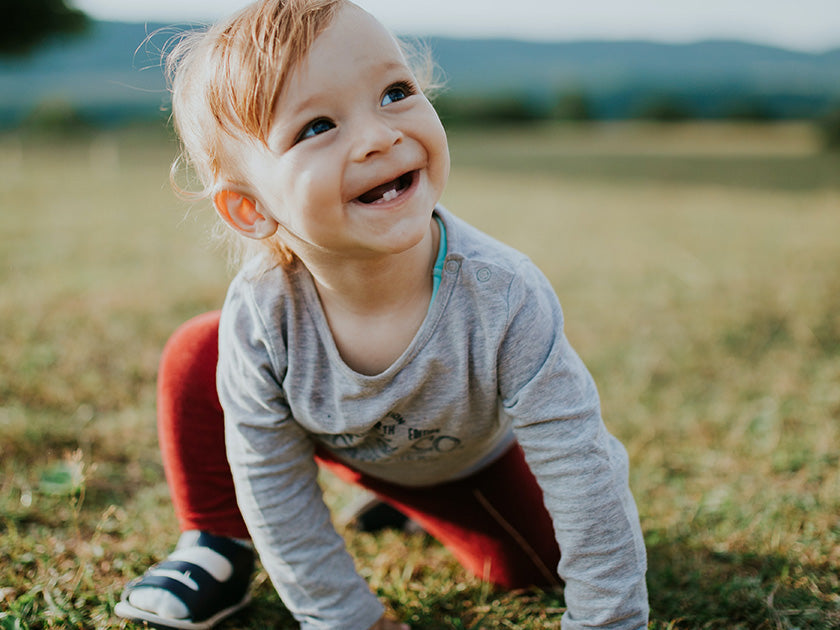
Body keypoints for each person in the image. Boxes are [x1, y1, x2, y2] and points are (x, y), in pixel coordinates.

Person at [115, 1, 649, 629]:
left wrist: (606, 620)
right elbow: (271, 481)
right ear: (250, 208)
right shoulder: (263, 312)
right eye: (316, 127)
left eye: (395, 92)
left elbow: (580, 462)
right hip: (333, 438)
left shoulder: (504, 296)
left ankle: (408, 503)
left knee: (534, 570)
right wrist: (344, 617)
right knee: (197, 351)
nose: (379, 136)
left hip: (457, 459)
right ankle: (215, 545)